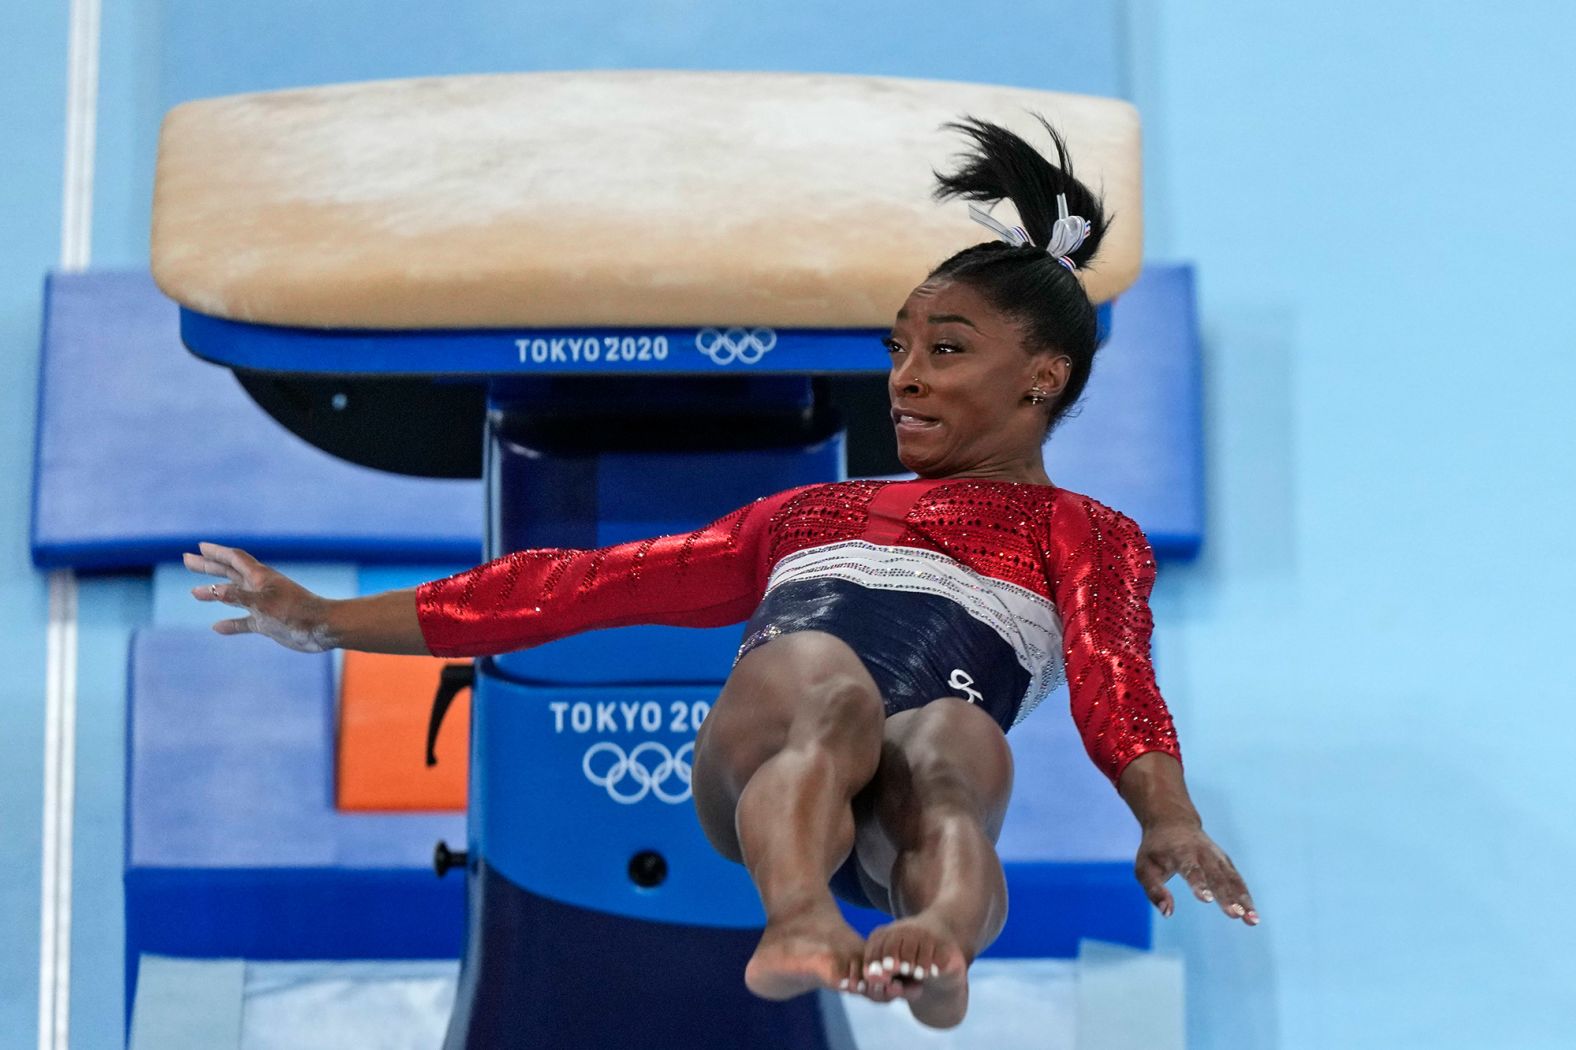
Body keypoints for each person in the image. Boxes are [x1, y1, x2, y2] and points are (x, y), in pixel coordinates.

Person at [184, 116, 1256, 1031]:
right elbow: (572, 587)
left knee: (950, 752)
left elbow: (1118, 675)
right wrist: (322, 620)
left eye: (945, 351)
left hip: (895, 801)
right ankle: (798, 919)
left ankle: (934, 942)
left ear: (1041, 379)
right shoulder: (807, 513)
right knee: (831, 693)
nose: (902, 380)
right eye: (898, 348)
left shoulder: (1086, 532)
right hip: (763, 771)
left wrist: (1164, 814)